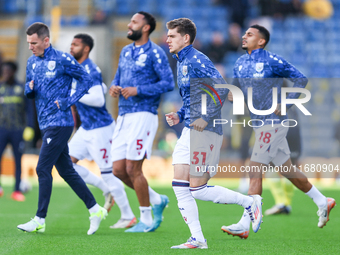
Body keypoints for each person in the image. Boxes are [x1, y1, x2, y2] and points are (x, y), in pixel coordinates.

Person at [222, 24, 336, 239]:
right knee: (288, 171)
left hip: (274, 122)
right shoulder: (239, 62)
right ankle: (323, 201)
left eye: (250, 34)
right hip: (258, 123)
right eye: (244, 33)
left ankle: (244, 223)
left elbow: (301, 79)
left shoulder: (272, 60)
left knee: (255, 169)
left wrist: (286, 104)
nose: (244, 36)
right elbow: (236, 89)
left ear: (261, 41)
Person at [165, 18, 262, 249]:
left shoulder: (197, 59)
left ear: (185, 38)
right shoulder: (181, 60)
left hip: (205, 129)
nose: (167, 39)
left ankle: (250, 203)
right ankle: (197, 238)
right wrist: (179, 114)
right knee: (180, 185)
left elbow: (222, 90)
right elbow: (193, 96)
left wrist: (205, 117)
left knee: (197, 189)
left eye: (172, 36)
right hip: (189, 127)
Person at [17, 22, 107, 235]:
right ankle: (95, 209)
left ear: (46, 40)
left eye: (34, 43)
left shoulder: (62, 59)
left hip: (61, 123)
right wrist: (28, 89)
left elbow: (86, 80)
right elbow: (29, 89)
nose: (30, 47)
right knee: (67, 171)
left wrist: (69, 100)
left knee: (42, 168)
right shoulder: (31, 62)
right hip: (45, 123)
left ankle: (39, 219)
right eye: (28, 43)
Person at [109, 11, 174, 232]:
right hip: (124, 115)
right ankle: (157, 199)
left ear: (145, 28)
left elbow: (167, 83)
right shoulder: (126, 51)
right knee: (118, 170)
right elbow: (117, 77)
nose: (129, 24)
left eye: (134, 22)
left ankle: (146, 219)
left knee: (132, 168)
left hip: (144, 114)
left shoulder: (155, 53)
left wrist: (139, 90)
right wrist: (114, 87)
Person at [69, 33, 137, 228]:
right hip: (87, 128)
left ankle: (128, 216)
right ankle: (104, 188)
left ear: (86, 49)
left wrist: (74, 95)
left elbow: (99, 99)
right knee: (65, 162)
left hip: (101, 129)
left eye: (76, 45)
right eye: (71, 44)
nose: (71, 47)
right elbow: (101, 88)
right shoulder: (79, 69)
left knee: (110, 173)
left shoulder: (89, 69)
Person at [0, 61, 35, 201]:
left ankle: (16, 190)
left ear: (13, 72)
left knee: (18, 160)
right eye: (3, 71)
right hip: (2, 129)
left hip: (18, 130)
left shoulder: (22, 88)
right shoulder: (1, 88)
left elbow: (30, 110)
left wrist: (30, 127)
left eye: (8, 71)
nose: (5, 74)